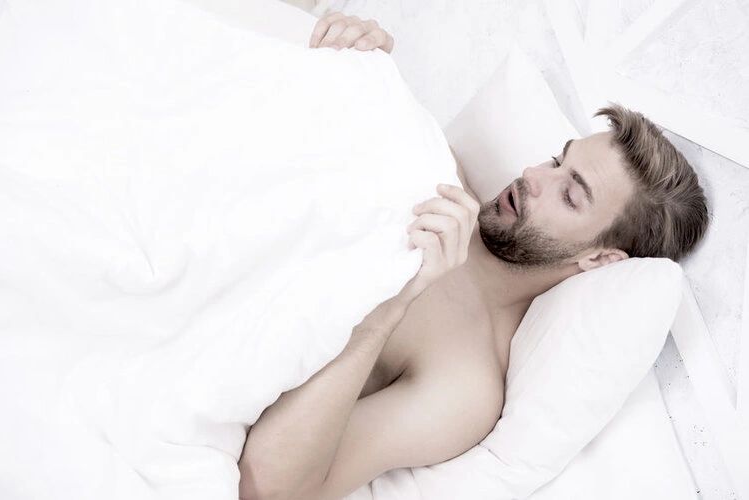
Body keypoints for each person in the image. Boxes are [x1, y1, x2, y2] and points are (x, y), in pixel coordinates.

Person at [238, 12, 710, 500]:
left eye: (570, 195)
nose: (532, 175)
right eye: (556, 160)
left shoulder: (466, 384)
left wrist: (386, 311)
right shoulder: (440, 165)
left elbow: (270, 488)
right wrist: (361, 57)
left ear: (599, 260)